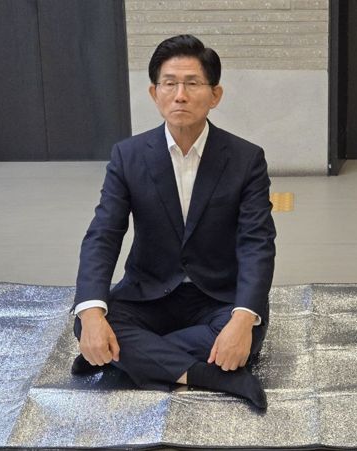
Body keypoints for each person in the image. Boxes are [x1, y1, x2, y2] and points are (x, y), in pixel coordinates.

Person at [71, 35, 276, 410]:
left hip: (217, 295)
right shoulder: (128, 156)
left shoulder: (246, 159)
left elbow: (256, 243)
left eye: (192, 83)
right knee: (89, 321)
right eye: (169, 83)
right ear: (154, 93)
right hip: (148, 293)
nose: (180, 95)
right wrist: (92, 314)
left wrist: (242, 319)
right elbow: (103, 235)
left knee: (248, 329)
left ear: (215, 95)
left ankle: (125, 359)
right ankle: (207, 375)